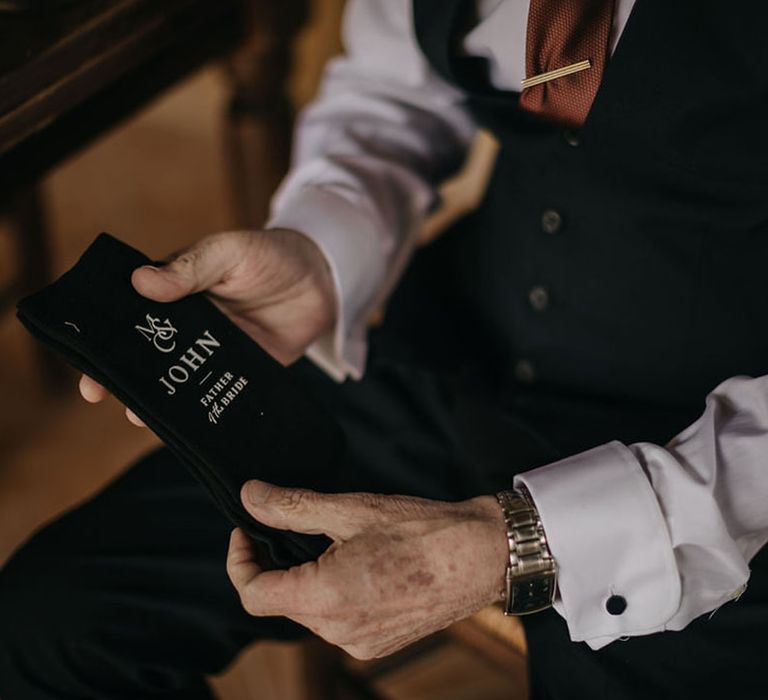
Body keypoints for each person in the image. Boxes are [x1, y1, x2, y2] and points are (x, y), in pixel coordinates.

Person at [2, 1, 767, 698]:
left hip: (710, 484)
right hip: (457, 351)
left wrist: (521, 543)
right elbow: (397, 88)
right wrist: (320, 246)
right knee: (45, 625)